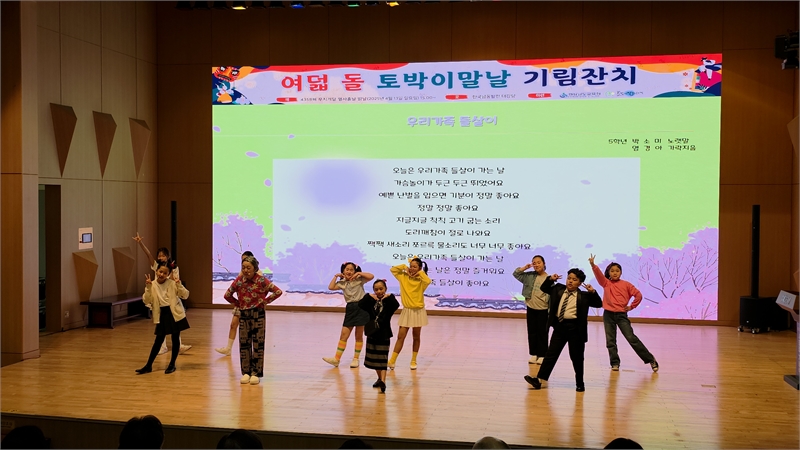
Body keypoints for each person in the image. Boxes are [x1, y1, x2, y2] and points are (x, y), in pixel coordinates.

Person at [524, 268, 602, 392]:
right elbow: (544, 288)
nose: (570, 281)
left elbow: (599, 304)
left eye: (574, 279)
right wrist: (550, 279)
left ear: (580, 283)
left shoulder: (584, 296)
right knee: (551, 354)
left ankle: (580, 383)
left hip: (575, 329)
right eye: (569, 278)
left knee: (577, 357)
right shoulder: (558, 289)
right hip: (560, 326)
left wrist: (592, 292)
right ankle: (539, 380)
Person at [589, 254, 658, 372]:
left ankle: (650, 359)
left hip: (621, 315)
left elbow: (638, 295)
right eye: (612, 271)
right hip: (608, 315)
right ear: (609, 273)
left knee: (631, 338)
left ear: (621, 272)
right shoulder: (606, 283)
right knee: (610, 341)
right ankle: (614, 363)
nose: (615, 273)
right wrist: (593, 265)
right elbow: (599, 276)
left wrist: (632, 306)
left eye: (617, 271)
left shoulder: (626, 284)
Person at [223, 255, 283, 385]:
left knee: (258, 344)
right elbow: (227, 295)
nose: (245, 270)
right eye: (243, 267)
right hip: (244, 314)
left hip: (258, 314)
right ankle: (246, 372)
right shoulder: (239, 281)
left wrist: (265, 301)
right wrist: (238, 303)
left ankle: (256, 373)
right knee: (244, 343)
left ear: (255, 268)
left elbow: (278, 292)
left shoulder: (261, 280)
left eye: (248, 268)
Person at [133, 233, 191, 355]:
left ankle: (178, 346)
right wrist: (140, 243)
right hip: (159, 297)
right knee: (161, 323)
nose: (161, 257)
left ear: (168, 256)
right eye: (159, 255)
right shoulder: (156, 266)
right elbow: (148, 254)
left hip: (171, 297)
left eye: (163, 255)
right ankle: (163, 346)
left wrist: (174, 276)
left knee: (175, 321)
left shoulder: (173, 268)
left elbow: (176, 281)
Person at [136, 261, 190, 375]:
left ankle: (172, 364)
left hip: (174, 313)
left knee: (175, 338)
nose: (162, 274)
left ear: (168, 274)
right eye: (160, 272)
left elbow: (185, 295)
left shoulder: (172, 283)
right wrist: (148, 287)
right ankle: (148, 365)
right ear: (156, 271)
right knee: (158, 340)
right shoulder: (152, 284)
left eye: (165, 273)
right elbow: (146, 300)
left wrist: (179, 284)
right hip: (162, 313)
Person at [323, 262, 374, 368]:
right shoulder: (342, 283)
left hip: (362, 307)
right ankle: (336, 359)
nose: (349, 271)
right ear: (343, 271)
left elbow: (371, 276)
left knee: (358, 335)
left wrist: (359, 273)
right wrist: (336, 276)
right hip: (350, 308)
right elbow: (331, 287)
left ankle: (356, 359)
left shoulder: (359, 279)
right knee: (344, 335)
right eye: (347, 269)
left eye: (351, 270)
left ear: (355, 271)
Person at [387, 257, 431, 370]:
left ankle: (413, 360)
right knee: (400, 336)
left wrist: (420, 273)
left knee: (416, 336)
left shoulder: (421, 280)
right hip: (407, 310)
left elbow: (428, 281)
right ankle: (392, 361)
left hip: (418, 311)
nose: (412, 268)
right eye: (411, 266)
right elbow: (393, 270)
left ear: (420, 268)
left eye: (415, 267)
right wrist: (404, 267)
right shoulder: (403, 276)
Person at [216, 251, 263, 356]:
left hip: (251, 306)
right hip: (241, 303)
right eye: (242, 261)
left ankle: (252, 353)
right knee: (233, 325)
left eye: (245, 260)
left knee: (250, 330)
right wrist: (236, 302)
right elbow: (232, 290)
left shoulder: (258, 274)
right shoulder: (241, 273)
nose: (244, 264)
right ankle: (228, 348)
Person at [358, 279, 399, 393]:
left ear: (385, 289)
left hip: (384, 333)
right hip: (372, 333)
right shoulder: (371, 301)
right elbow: (360, 304)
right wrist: (369, 296)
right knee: (375, 359)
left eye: (381, 289)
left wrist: (390, 296)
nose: (379, 291)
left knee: (383, 359)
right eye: (376, 289)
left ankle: (383, 381)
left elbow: (396, 305)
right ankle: (380, 379)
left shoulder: (388, 302)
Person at [513, 255, 550, 364]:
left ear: (544, 263)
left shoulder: (549, 278)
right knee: (532, 331)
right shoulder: (529, 276)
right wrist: (525, 267)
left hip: (543, 309)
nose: (536, 265)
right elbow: (516, 274)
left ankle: (542, 355)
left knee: (542, 332)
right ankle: (534, 354)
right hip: (531, 307)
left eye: (539, 262)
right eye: (534, 263)